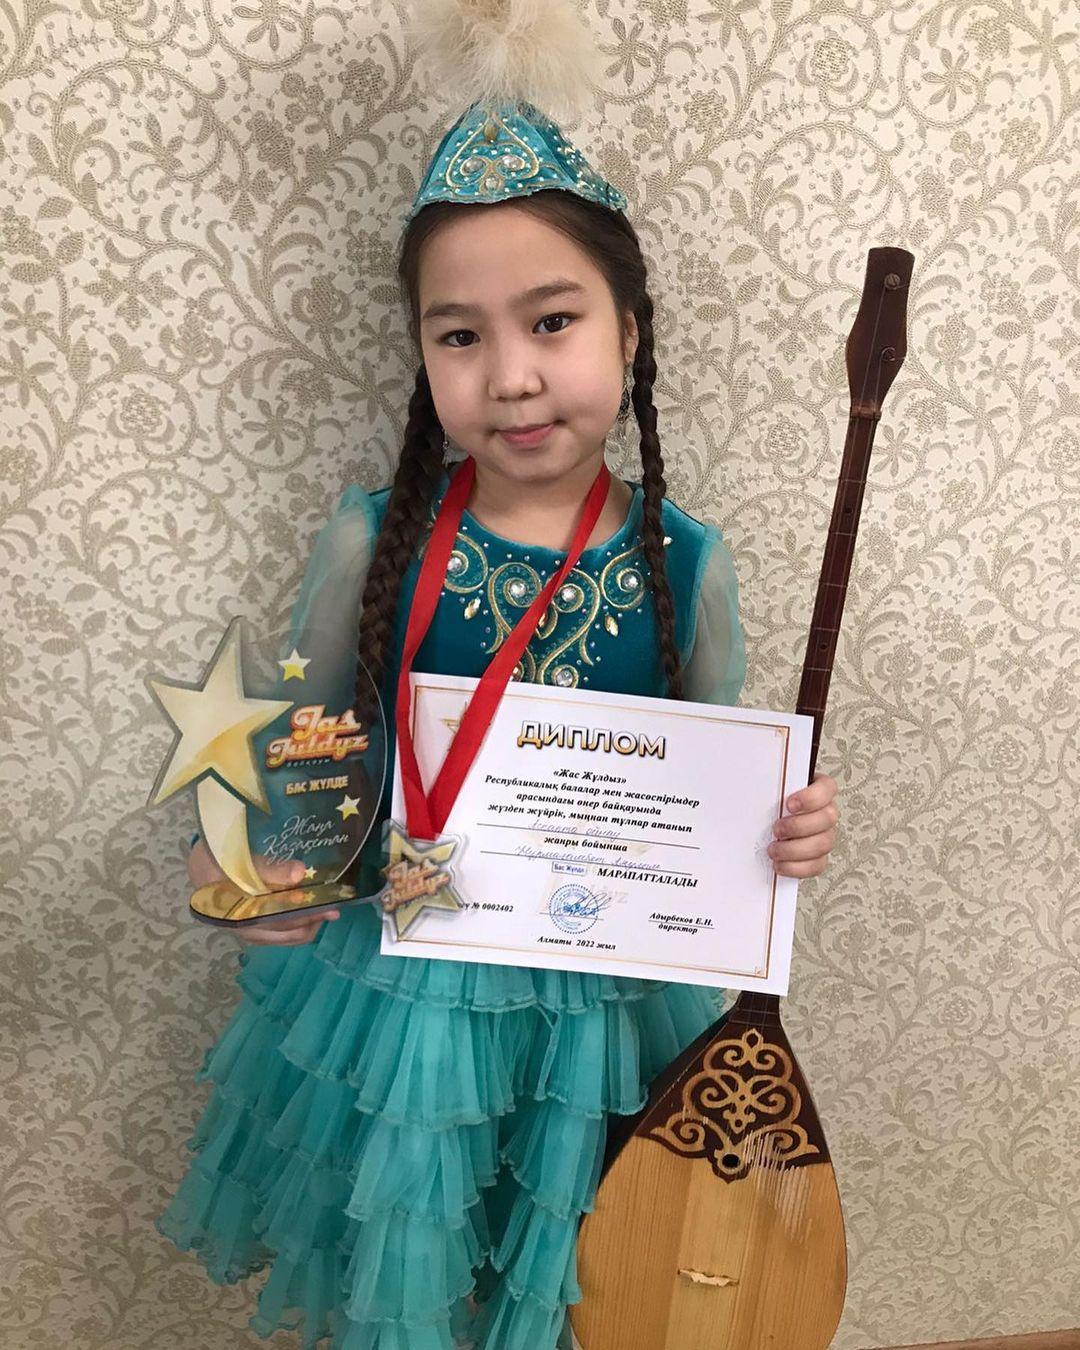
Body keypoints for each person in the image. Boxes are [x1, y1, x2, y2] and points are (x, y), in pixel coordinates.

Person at [155, 5, 841, 1348]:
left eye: (552, 320)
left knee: (580, 1263)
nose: (512, 377)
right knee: (411, 1266)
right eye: (459, 336)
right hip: (401, 987)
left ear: (629, 332)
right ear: (421, 355)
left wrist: (786, 831)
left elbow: (718, 792)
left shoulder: (686, 563)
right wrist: (248, 867)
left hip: (603, 1007)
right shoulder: (376, 537)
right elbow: (300, 743)